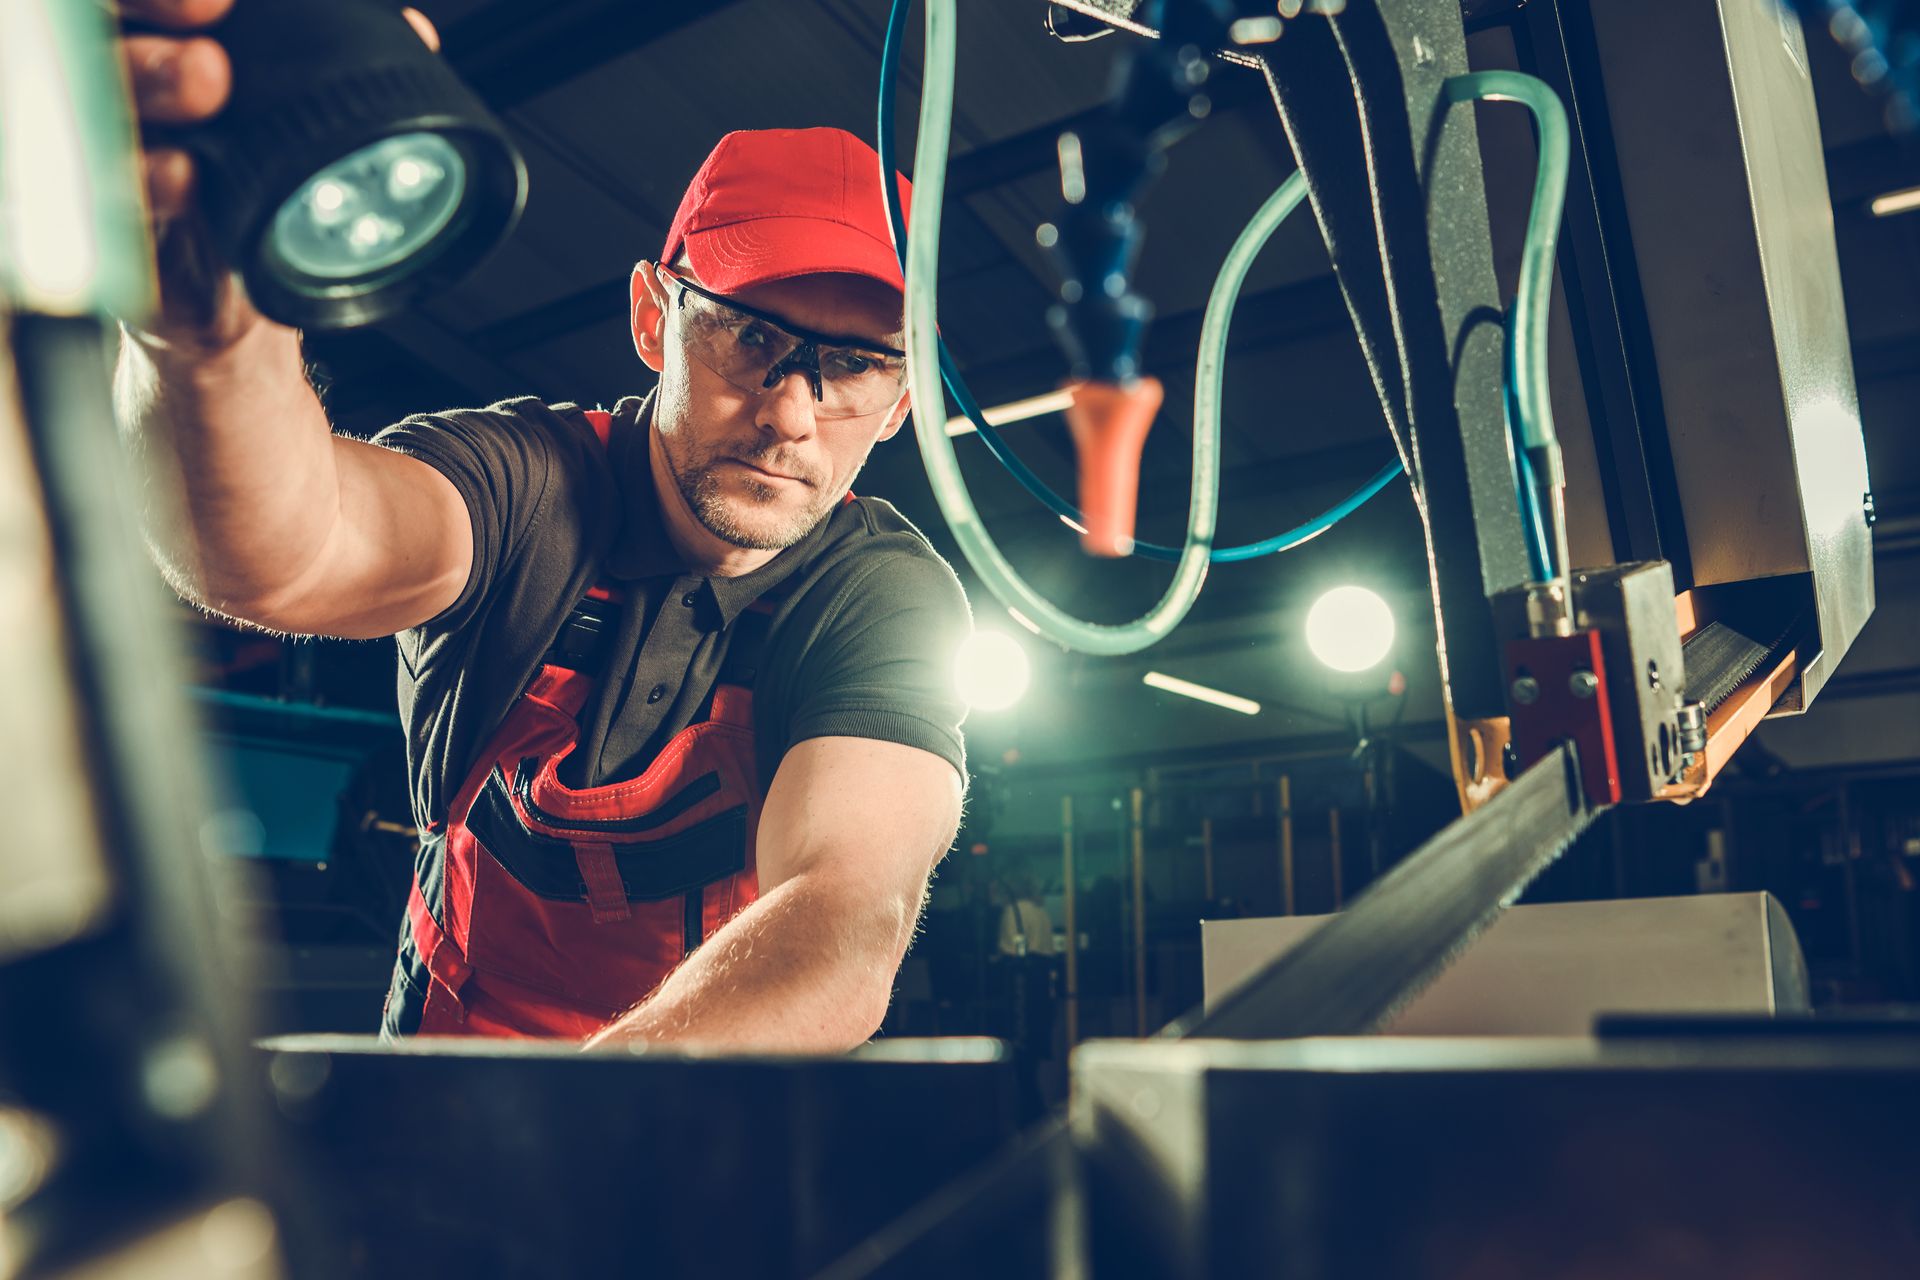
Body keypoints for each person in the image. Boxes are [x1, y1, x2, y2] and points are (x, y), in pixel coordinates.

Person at [111, 1, 970, 1051]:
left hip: (684, 1120)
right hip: (434, 1086)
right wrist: (206, 332)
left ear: (901, 402)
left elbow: (844, 917)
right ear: (657, 318)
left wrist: (572, 1118)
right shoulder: (528, 484)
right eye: (752, 335)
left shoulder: (878, 595)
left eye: (853, 364)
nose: (792, 412)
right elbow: (279, 554)